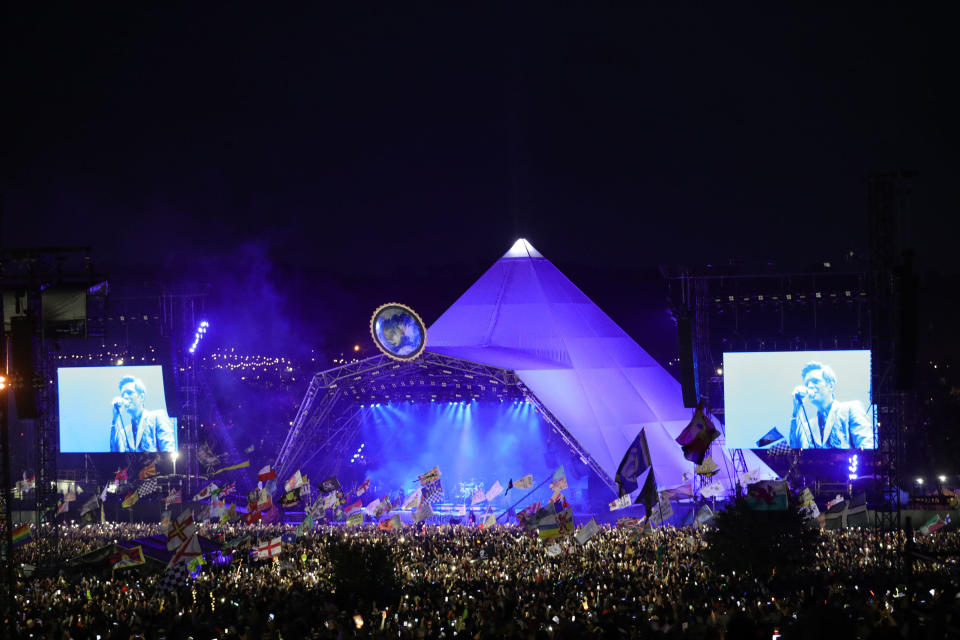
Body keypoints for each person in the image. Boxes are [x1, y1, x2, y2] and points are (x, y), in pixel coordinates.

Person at [788, 361, 873, 449]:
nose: (809, 386)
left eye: (815, 381)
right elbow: (795, 450)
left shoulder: (851, 409)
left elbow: (867, 447)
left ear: (831, 386)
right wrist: (797, 409)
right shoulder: (807, 426)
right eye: (807, 383)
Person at [109, 375, 176, 452]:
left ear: (142, 397)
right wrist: (115, 418)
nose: (125, 396)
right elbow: (114, 452)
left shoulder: (158, 416)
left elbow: (168, 451)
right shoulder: (124, 432)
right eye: (122, 394)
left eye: (129, 392)